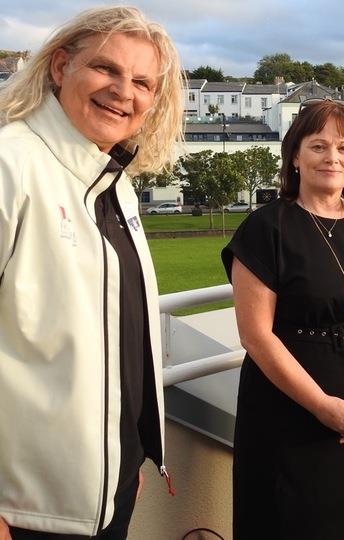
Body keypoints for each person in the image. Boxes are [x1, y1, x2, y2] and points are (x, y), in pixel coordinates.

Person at [0, 6, 183, 540]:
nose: (124, 91)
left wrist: (123, 457)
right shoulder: (12, 165)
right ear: (60, 67)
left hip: (104, 491)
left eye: (143, 82)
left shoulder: (111, 178)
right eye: (106, 69)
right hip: (28, 508)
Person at [221, 97, 344, 540]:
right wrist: (321, 406)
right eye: (318, 146)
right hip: (287, 412)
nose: (332, 157)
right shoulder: (267, 229)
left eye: (343, 147)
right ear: (295, 156)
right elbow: (256, 335)